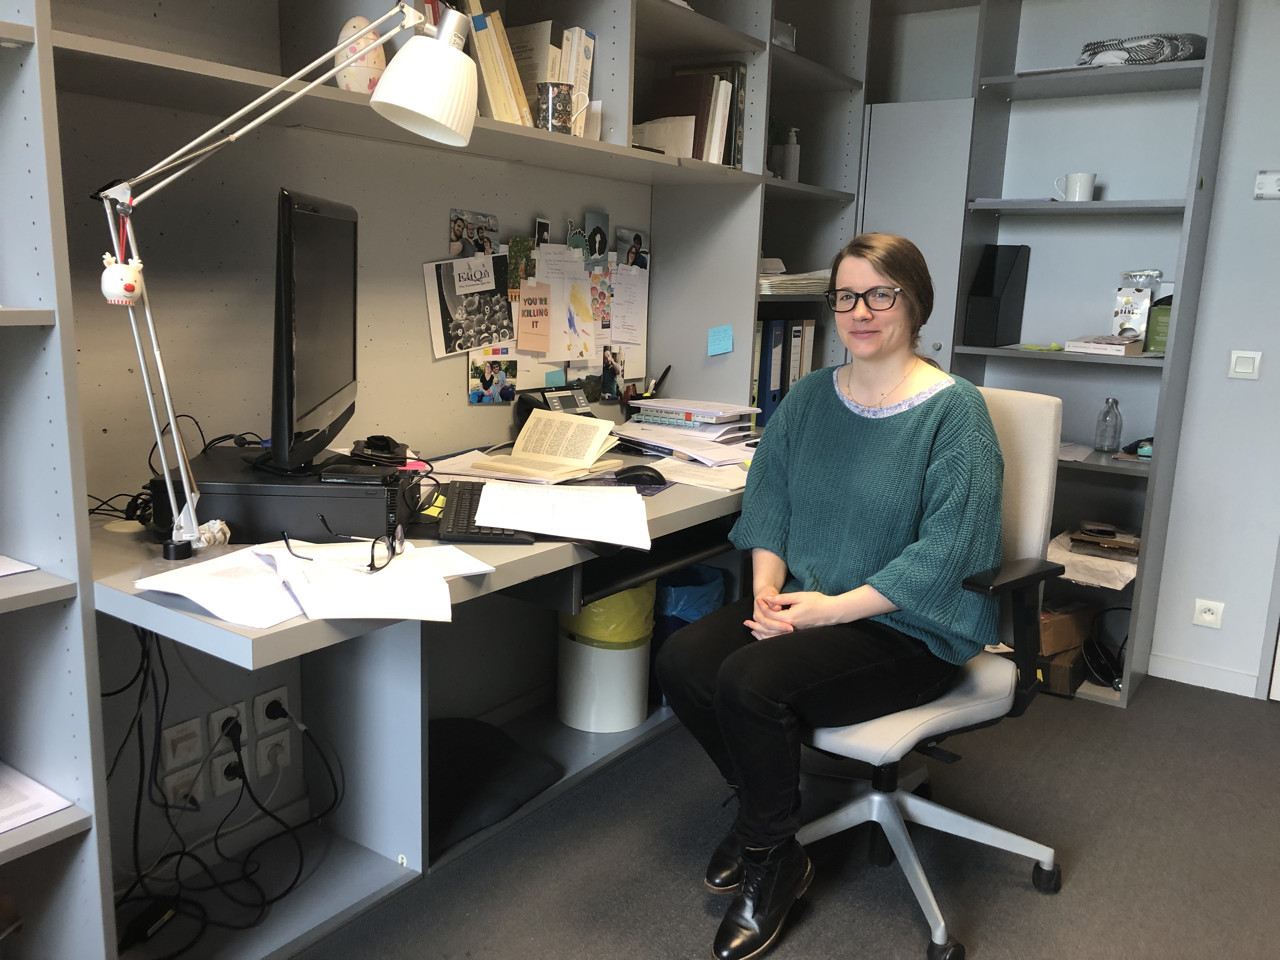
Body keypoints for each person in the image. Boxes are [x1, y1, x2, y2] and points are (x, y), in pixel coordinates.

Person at [655, 233, 1003, 960]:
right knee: (685, 660)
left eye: (881, 294)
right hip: (808, 604)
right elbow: (769, 498)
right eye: (846, 295)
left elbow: (950, 553)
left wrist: (829, 611)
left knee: (749, 684)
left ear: (914, 302)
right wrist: (768, 592)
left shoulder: (955, 413)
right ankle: (767, 818)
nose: (861, 311)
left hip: (909, 627)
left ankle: (770, 860)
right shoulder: (811, 397)